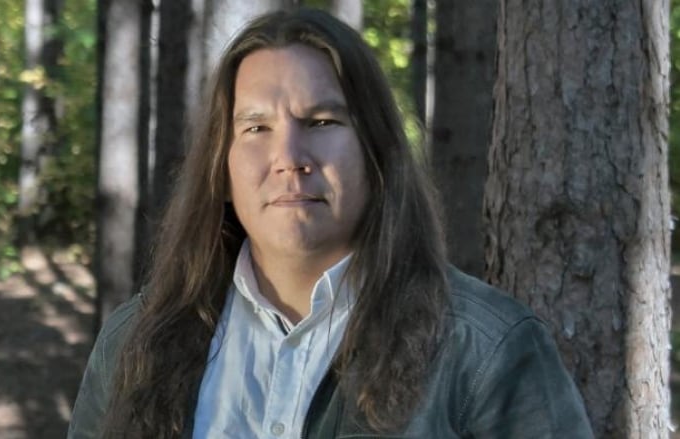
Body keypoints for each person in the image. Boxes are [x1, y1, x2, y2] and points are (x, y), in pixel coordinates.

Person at [68, 8, 593, 439]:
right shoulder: (133, 344)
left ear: (376, 153)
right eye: (256, 127)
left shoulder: (487, 350)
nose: (289, 156)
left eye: (321, 122)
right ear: (220, 169)